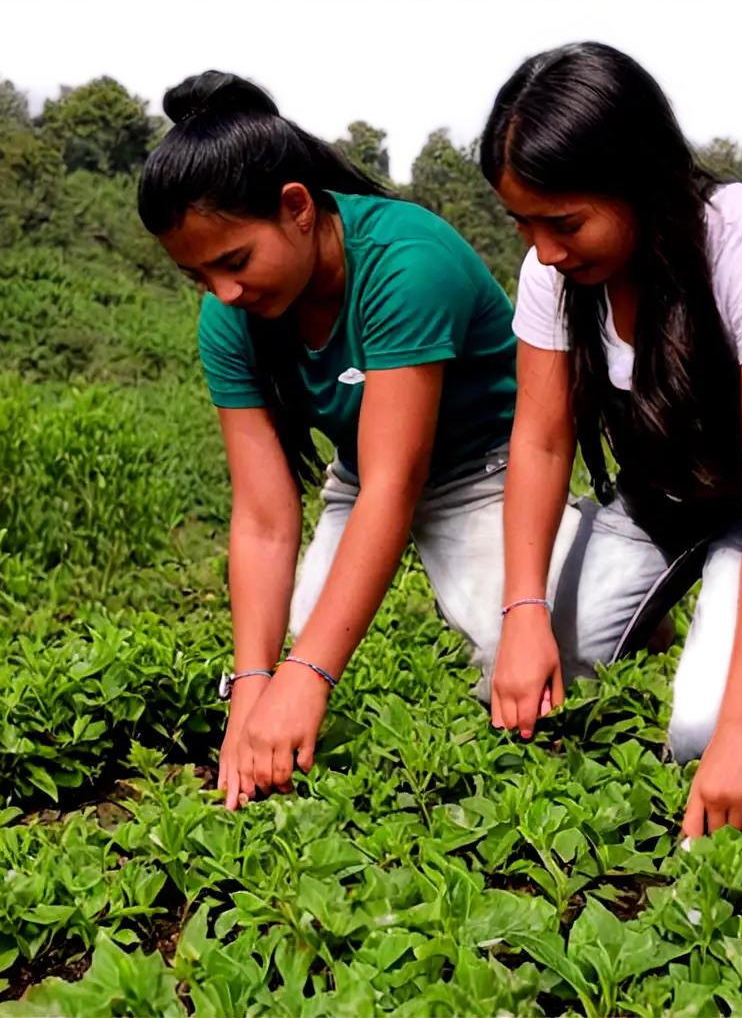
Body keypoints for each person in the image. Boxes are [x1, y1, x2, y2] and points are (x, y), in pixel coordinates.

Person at [478, 41, 742, 839]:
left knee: (709, 721)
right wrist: (525, 610)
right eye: (523, 223)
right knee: (533, 673)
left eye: (564, 222)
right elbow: (540, 445)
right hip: (658, 496)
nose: (543, 250)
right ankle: (702, 606)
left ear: (641, 180)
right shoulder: (555, 275)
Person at [136, 69, 594, 810]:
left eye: (235, 261)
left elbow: (396, 484)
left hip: (487, 466)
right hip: (362, 472)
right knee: (293, 639)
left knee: (560, 654)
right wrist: (254, 686)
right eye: (197, 276)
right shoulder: (232, 317)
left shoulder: (406, 265)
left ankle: (611, 575)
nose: (223, 293)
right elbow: (263, 514)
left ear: (297, 209)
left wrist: (308, 677)